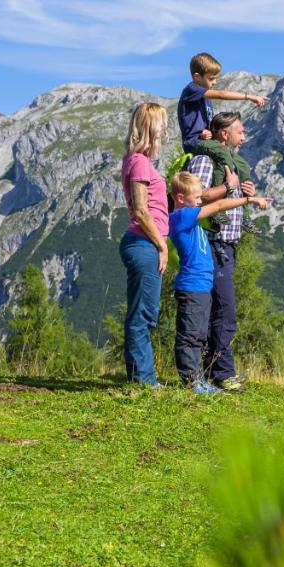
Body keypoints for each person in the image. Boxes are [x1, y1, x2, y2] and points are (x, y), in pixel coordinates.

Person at [167, 171, 271, 392]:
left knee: (200, 334)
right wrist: (250, 199)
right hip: (192, 285)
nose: (199, 200)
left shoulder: (191, 218)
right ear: (179, 197)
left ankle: (198, 378)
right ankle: (190, 381)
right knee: (191, 334)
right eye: (195, 197)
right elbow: (218, 206)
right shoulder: (180, 217)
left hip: (202, 286)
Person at [187, 111, 257, 391]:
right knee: (224, 310)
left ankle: (215, 369)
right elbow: (196, 195)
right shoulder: (205, 160)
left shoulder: (229, 163)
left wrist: (245, 193)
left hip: (227, 244)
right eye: (240, 131)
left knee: (220, 308)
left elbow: (226, 198)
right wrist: (229, 187)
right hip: (213, 243)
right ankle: (222, 372)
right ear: (224, 134)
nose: (244, 136)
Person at [118, 102, 170, 386]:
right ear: (150, 126)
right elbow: (140, 210)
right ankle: (144, 380)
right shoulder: (139, 162)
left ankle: (143, 377)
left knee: (144, 311)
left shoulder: (139, 161)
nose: (165, 129)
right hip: (144, 244)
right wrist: (162, 245)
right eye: (161, 123)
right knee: (143, 314)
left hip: (145, 243)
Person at [178, 52, 267, 153]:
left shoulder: (206, 99)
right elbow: (221, 94)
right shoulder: (191, 89)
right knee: (223, 154)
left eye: (216, 78)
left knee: (238, 162)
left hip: (205, 142)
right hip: (193, 143)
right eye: (211, 79)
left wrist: (210, 132)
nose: (215, 82)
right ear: (197, 77)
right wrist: (249, 97)